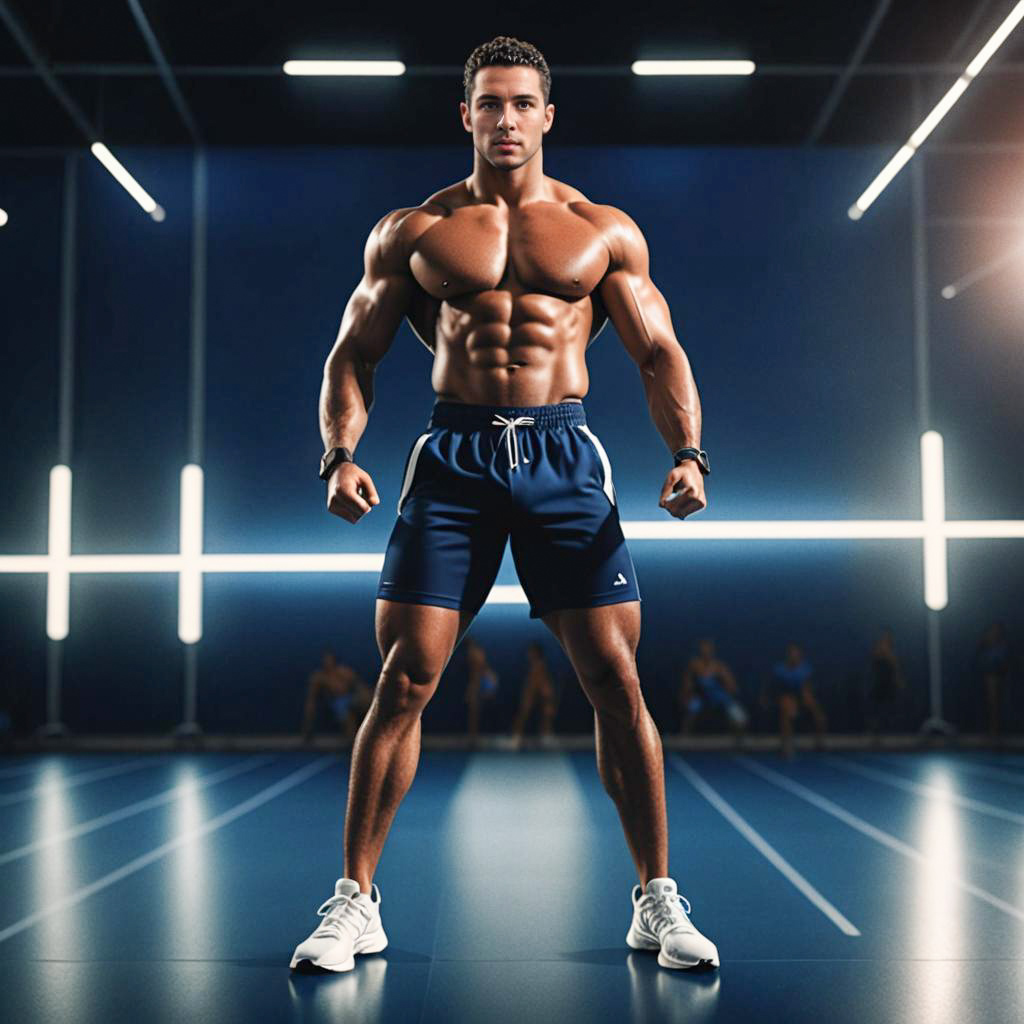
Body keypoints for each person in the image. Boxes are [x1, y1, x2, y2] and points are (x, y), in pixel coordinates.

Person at [292, 36, 718, 974]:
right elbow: (351, 355)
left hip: (565, 454)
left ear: (548, 114)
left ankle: (655, 899)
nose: (507, 118)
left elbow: (658, 351)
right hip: (454, 456)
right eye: (491, 103)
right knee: (406, 677)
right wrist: (339, 455)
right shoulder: (415, 231)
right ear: (467, 114)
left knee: (616, 677)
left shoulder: (601, 229)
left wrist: (686, 452)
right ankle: (355, 903)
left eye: (524, 103)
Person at [677, 637, 747, 742]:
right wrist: (685, 695)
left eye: (708, 650)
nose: (706, 652)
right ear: (700, 651)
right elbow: (687, 683)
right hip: (701, 697)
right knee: (692, 707)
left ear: (712, 651)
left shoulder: (719, 666)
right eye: (703, 650)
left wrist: (729, 693)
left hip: (718, 697)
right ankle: (685, 736)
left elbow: (731, 685)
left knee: (738, 715)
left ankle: (738, 738)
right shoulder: (695, 665)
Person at [764, 643, 827, 759]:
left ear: (800, 656)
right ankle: (786, 746)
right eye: (791, 654)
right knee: (787, 709)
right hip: (784, 697)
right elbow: (774, 689)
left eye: (796, 654)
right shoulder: (779, 669)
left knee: (817, 711)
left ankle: (820, 742)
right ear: (788, 656)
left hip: (801, 697)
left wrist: (806, 696)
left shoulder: (806, 669)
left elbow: (808, 687)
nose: (794, 656)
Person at [301, 651, 372, 745]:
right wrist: (308, 725)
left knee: (367, 698)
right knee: (346, 714)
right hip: (337, 702)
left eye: (329, 660)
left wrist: (366, 697)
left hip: (351, 699)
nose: (327, 663)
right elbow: (311, 700)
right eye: (325, 661)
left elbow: (360, 687)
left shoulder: (345, 673)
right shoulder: (320, 678)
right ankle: (353, 742)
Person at [507, 641, 559, 747]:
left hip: (541, 693)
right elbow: (533, 682)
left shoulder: (540, 665)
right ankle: (516, 737)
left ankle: (545, 736)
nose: (528, 654)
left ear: (535, 653)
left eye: (531, 652)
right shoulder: (536, 665)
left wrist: (546, 694)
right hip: (534, 693)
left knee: (545, 714)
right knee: (524, 714)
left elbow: (542, 681)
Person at [865, 626, 905, 742]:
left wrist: (898, 681)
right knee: (875, 710)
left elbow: (895, 668)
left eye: (888, 639)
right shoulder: (877, 651)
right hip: (878, 685)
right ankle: (874, 735)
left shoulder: (892, 655)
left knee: (889, 711)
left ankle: (891, 734)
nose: (885, 641)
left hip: (889, 685)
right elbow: (874, 660)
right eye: (884, 638)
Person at [976, 621, 1013, 743]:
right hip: (988, 678)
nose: (993, 633)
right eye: (992, 630)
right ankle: (991, 731)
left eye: (996, 630)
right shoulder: (984, 647)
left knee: (997, 705)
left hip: (1000, 678)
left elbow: (1003, 664)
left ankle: (997, 731)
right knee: (991, 705)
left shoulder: (1003, 647)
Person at [463, 634, 499, 745]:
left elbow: (477, 672)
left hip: (485, 680)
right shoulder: (477, 652)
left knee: (474, 710)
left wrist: (472, 689)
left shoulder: (473, 653)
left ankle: (473, 738)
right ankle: (474, 737)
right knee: (475, 711)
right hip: (487, 679)